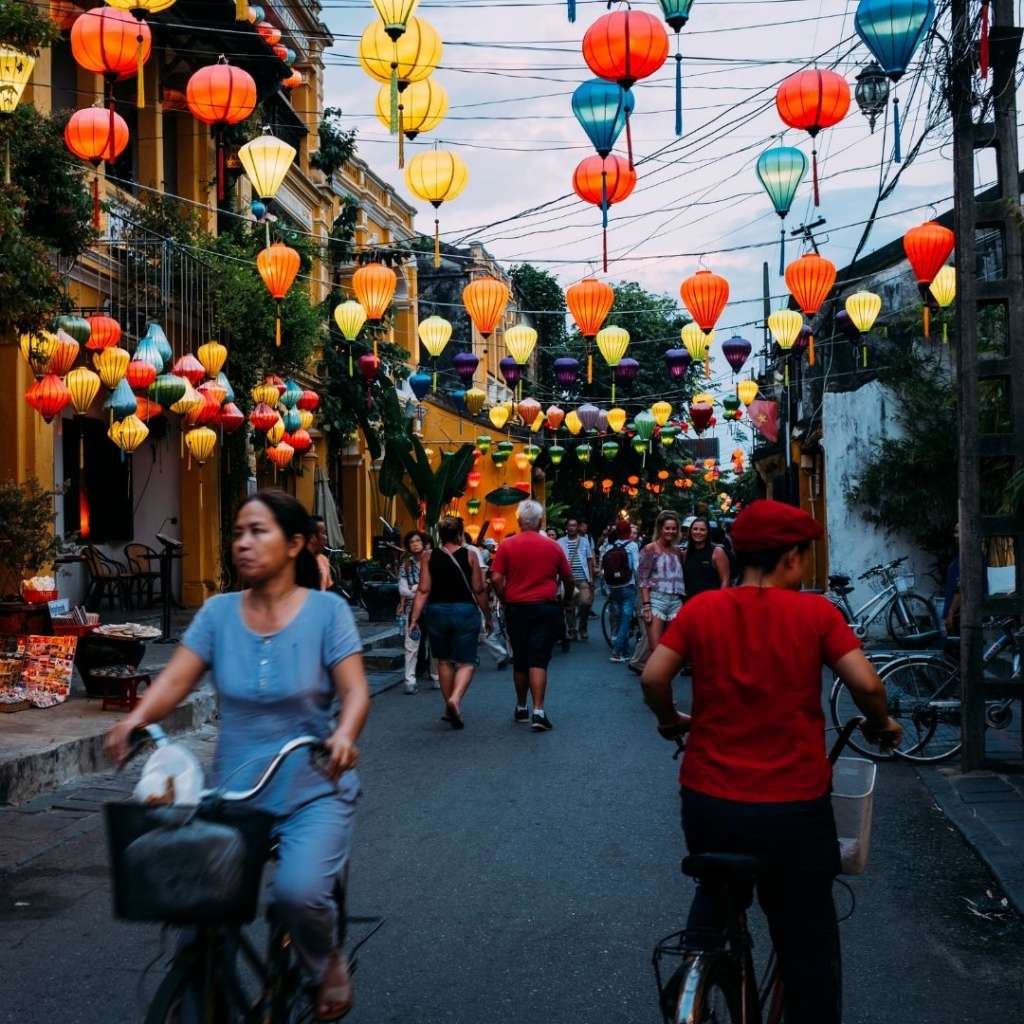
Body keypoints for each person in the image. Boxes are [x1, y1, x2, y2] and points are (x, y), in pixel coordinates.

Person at [105, 490, 370, 1021]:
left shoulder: (326, 611)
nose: (243, 544)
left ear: (295, 544)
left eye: (259, 531)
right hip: (232, 794)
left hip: (310, 788)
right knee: (190, 903)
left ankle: (326, 964)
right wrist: (137, 718)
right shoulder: (218, 613)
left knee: (298, 894)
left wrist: (343, 735)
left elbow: (356, 692)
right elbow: (178, 676)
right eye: (239, 532)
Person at [640, 499, 902, 1024]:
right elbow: (868, 685)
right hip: (793, 806)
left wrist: (671, 720)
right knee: (807, 943)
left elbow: (653, 678)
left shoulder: (701, 609)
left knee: (717, 891)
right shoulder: (815, 613)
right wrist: (881, 724)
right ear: (790, 559)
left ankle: (698, 963)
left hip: (710, 799)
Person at [491, 500, 574, 731]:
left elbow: (496, 577)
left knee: (520, 658)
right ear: (540, 522)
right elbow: (568, 578)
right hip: (545, 607)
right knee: (538, 658)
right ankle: (539, 711)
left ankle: (520, 707)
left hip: (516, 607)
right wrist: (566, 598)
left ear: (518, 521)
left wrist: (504, 597)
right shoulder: (553, 546)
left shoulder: (506, 545)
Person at [409, 516, 490, 730]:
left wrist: (414, 618)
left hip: (437, 612)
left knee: (443, 661)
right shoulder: (471, 555)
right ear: (460, 534)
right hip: (465, 611)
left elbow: (423, 589)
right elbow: (479, 590)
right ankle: (455, 699)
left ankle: (448, 705)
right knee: (467, 661)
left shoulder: (428, 556)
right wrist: (488, 615)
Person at [637, 511, 686, 650]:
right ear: (660, 529)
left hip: (676, 602)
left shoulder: (677, 551)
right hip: (656, 602)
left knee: (673, 649)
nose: (671, 531)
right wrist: (646, 606)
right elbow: (643, 579)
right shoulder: (650, 549)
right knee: (656, 649)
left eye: (674, 528)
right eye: (667, 528)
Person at [398, 531, 438, 694]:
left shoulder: (433, 562)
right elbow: (402, 590)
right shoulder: (405, 565)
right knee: (411, 645)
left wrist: (416, 588)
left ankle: (436, 676)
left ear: (424, 543)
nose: (415, 544)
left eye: (418, 541)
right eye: (411, 541)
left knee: (435, 644)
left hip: (433, 608)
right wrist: (420, 590)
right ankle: (410, 680)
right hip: (412, 610)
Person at [602, 519, 640, 663]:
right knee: (626, 618)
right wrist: (640, 584)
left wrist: (606, 587)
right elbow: (636, 567)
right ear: (629, 532)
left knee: (619, 617)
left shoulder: (610, 546)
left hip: (613, 586)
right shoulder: (632, 546)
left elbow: (605, 568)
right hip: (627, 585)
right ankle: (617, 651)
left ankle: (623, 650)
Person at [558, 517, 596, 640]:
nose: (572, 528)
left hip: (583, 578)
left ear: (577, 527)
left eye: (574, 525)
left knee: (585, 603)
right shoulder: (560, 542)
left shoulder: (584, 541)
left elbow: (589, 559)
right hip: (568, 579)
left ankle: (583, 627)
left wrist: (591, 577)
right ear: (566, 528)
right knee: (569, 606)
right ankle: (572, 630)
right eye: (570, 525)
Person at [681, 517, 731, 598]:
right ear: (690, 532)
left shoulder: (717, 552)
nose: (698, 532)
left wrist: (719, 601)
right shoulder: (686, 554)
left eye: (702, 530)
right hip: (691, 603)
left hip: (711, 602)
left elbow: (725, 581)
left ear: (708, 532)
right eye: (695, 529)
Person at [308, 514, 333, 591]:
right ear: (313, 537)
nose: (326, 537)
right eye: (323, 533)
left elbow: (329, 589)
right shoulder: (298, 563)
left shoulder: (323, 560)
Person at [944, 522, 960, 635]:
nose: (955, 535)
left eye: (958, 532)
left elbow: (961, 589)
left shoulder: (968, 557)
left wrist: (951, 612)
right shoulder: (959, 556)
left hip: (959, 616)